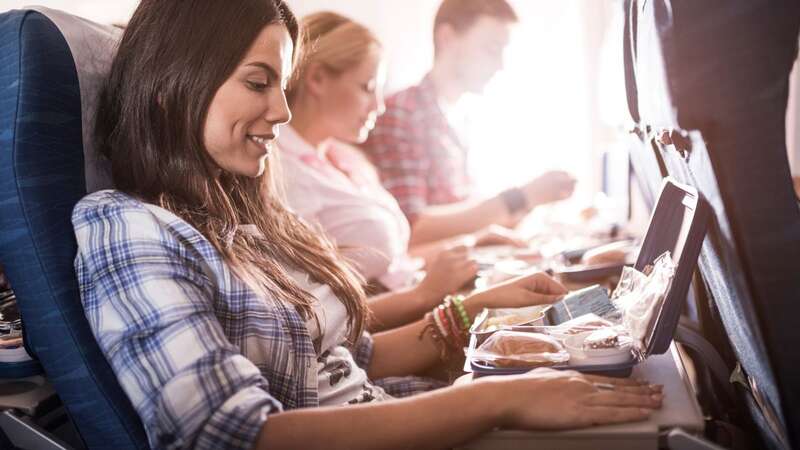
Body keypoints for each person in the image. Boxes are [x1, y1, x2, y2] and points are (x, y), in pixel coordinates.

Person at [75, 1, 662, 448]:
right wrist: (497, 401)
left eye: (280, 87)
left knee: (663, 395)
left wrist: (484, 319)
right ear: (170, 88)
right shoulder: (126, 227)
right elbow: (231, 434)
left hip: (395, 403)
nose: (281, 110)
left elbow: (354, 357)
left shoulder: (244, 219)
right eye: (258, 84)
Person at [278, 12, 526, 323]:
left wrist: (471, 242)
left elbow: (392, 263)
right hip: (388, 325)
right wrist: (425, 294)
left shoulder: (347, 159)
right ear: (316, 79)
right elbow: (319, 318)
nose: (379, 106)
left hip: (413, 297)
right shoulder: (283, 172)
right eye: (367, 87)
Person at [363, 0, 577, 246]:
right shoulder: (402, 113)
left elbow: (465, 212)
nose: (500, 65)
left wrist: (531, 202)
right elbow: (410, 226)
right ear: (447, 38)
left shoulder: (460, 119)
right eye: (491, 49)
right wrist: (520, 197)